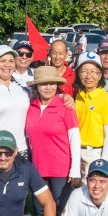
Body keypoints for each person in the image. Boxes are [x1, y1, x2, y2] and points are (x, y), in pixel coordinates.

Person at [26, 65, 81, 207]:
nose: (48, 87)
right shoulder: (31, 107)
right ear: (37, 86)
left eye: (52, 83)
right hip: (38, 166)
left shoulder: (65, 106)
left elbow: (74, 138)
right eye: (44, 84)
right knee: (38, 207)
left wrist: (75, 170)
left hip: (61, 169)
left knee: (59, 207)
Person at [74, 52, 108, 175]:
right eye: (84, 71)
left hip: (95, 153)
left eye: (93, 72)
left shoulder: (107, 99)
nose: (88, 76)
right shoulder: (79, 96)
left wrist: (104, 160)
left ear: (100, 75)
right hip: (77, 151)